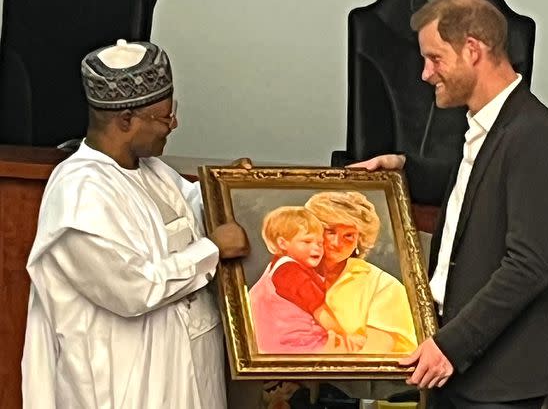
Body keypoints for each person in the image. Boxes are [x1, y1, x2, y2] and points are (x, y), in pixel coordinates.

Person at [353, 0, 548, 408]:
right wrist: (402, 167)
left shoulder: (535, 134)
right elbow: (474, 190)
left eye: (435, 58)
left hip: (498, 383)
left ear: (473, 50)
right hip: (460, 371)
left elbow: (528, 267)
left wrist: (451, 346)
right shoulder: (490, 127)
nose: (425, 74)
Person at [21, 39, 249, 409]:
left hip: (185, 368)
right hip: (127, 382)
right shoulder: (80, 194)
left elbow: (190, 209)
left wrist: (232, 189)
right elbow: (133, 288)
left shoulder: (152, 170)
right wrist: (212, 251)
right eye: (163, 117)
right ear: (125, 119)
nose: (173, 125)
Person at [305, 191, 417, 354]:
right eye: (330, 231)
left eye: (349, 235)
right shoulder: (288, 271)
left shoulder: (385, 287)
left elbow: (374, 356)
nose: (337, 243)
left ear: (360, 240)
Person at [249, 206, 363, 353]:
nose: (316, 248)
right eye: (307, 241)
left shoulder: (279, 266)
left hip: (273, 345)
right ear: (283, 243)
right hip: (300, 346)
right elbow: (321, 313)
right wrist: (347, 336)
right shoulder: (291, 273)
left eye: (320, 243)